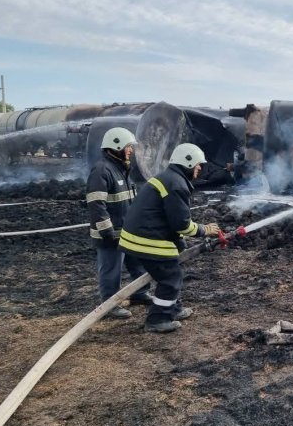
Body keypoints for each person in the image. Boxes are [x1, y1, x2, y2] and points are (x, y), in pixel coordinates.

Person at [119, 143, 221, 333]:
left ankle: (172, 308)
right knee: (171, 278)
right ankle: (158, 319)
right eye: (198, 164)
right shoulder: (177, 185)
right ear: (188, 163)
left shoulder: (170, 178)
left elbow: (166, 218)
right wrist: (204, 229)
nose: (200, 168)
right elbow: (181, 224)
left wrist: (179, 243)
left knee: (169, 272)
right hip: (147, 241)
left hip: (137, 237)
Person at [86, 127, 151, 319]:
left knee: (137, 263)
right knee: (110, 270)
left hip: (127, 231)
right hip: (111, 234)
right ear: (116, 146)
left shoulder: (121, 169)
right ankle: (109, 305)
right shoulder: (102, 170)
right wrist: (108, 232)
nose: (131, 150)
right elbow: (96, 204)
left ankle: (139, 294)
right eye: (128, 146)